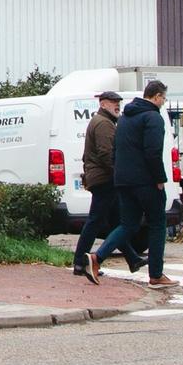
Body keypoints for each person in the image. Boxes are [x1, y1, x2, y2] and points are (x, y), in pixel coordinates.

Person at [88, 80, 176, 287]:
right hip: (146, 181)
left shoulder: (125, 117)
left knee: (128, 224)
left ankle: (96, 258)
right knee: (157, 224)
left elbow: (116, 150)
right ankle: (156, 275)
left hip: (123, 181)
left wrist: (119, 174)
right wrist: (160, 179)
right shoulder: (153, 117)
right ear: (156, 97)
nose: (163, 102)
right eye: (163, 98)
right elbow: (153, 152)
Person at [72, 91, 145, 278]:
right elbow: (107, 154)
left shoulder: (103, 121)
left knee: (115, 222)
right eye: (113, 102)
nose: (117, 105)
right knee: (96, 220)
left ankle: (132, 258)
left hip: (102, 178)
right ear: (102, 104)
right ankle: (79, 262)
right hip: (105, 179)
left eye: (118, 102)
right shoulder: (104, 124)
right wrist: (120, 174)